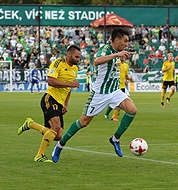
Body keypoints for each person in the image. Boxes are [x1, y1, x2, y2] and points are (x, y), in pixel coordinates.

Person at [52, 28, 137, 162]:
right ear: (117, 40)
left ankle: (115, 139)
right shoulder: (106, 49)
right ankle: (60, 145)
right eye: (125, 41)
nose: (127, 44)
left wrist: (119, 56)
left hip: (114, 91)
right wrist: (116, 55)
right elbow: (97, 61)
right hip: (99, 93)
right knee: (83, 122)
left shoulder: (118, 53)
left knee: (132, 110)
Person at [17, 45, 81, 162]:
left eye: (79, 57)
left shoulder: (75, 69)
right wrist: (70, 84)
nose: (78, 59)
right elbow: (51, 81)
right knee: (55, 127)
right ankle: (39, 155)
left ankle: (31, 124)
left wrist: (66, 104)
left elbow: (68, 90)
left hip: (60, 103)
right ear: (68, 54)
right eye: (76, 57)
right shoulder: (58, 64)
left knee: (58, 136)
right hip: (50, 98)